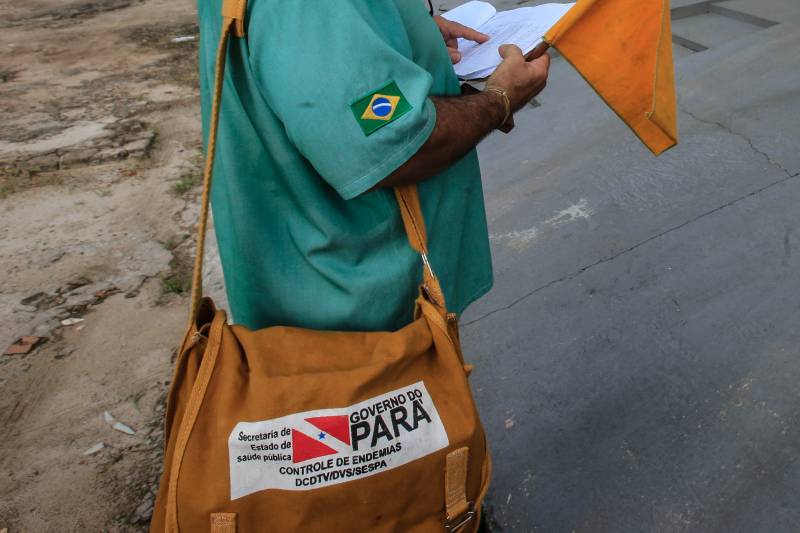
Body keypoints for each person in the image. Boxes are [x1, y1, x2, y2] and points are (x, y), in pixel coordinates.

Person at [197, 0, 550, 332]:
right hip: (357, 311)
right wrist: (500, 98)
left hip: (308, 283)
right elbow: (394, 143)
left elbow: (311, 63)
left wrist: (401, 29)